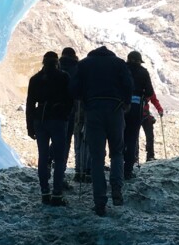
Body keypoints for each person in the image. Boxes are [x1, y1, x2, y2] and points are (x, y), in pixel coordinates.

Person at [70, 46, 134, 216]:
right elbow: (129, 84)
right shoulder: (119, 63)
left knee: (97, 156)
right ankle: (117, 190)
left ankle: (100, 202)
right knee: (117, 152)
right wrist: (126, 102)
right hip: (116, 109)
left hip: (93, 110)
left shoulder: (84, 64)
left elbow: (74, 88)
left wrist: (83, 99)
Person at [26, 51, 73, 206]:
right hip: (58, 120)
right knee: (59, 158)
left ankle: (44, 192)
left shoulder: (35, 79)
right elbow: (70, 100)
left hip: (40, 119)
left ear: (43, 62)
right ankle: (57, 194)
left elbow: (30, 105)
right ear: (57, 62)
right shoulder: (64, 77)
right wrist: (66, 115)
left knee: (43, 155)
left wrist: (30, 126)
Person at [123, 51, 157, 179]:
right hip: (136, 108)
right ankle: (128, 170)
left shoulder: (122, 69)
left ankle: (117, 164)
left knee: (119, 136)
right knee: (132, 137)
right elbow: (149, 91)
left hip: (120, 106)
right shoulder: (143, 72)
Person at [59, 47, 87, 184]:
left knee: (60, 142)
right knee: (78, 141)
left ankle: (58, 173)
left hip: (57, 109)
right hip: (76, 109)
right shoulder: (78, 68)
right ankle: (79, 170)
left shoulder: (56, 67)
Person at [141, 93, 164, 161]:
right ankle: (150, 156)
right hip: (143, 115)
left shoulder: (135, 85)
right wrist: (159, 109)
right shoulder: (147, 87)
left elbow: (154, 99)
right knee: (149, 136)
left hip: (140, 115)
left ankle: (136, 157)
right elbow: (154, 100)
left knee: (148, 136)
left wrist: (160, 109)